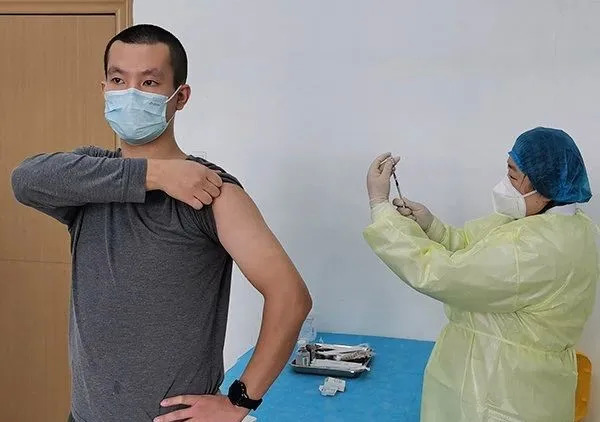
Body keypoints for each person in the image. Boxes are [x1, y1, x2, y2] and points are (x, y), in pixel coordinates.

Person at [11, 24, 312, 422]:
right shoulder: (92, 179)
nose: (130, 93)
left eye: (149, 82)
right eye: (119, 80)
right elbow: (26, 179)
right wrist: (154, 174)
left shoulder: (210, 191)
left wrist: (239, 402)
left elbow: (290, 297)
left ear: (180, 96)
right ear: (104, 89)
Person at [364, 127, 598, 422]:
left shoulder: (532, 249)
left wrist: (380, 206)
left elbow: (440, 273)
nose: (505, 184)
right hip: (533, 389)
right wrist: (431, 226)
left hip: (497, 395)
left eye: (513, 175)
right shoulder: (572, 228)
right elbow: (475, 250)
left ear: (543, 185)